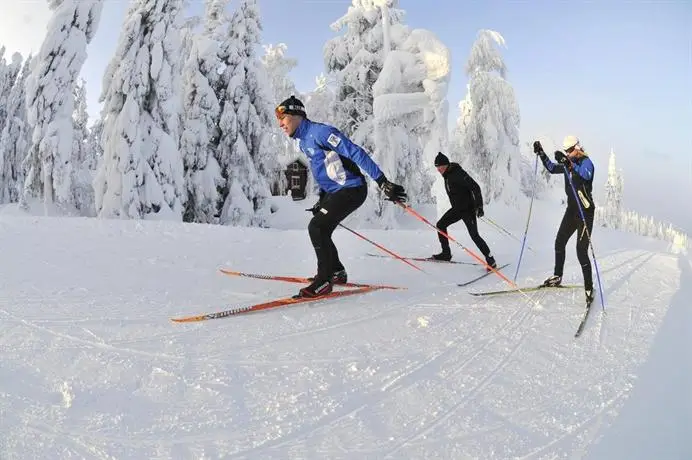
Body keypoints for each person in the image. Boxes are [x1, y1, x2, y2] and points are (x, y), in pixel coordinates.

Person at [275, 95, 407, 298]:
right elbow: (325, 171)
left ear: (296, 115)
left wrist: (381, 181)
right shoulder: (303, 142)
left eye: (283, 118)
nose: (281, 124)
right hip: (336, 191)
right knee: (322, 228)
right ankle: (336, 272)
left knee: (317, 227)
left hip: (352, 189)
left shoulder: (322, 132)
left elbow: (355, 152)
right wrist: (322, 198)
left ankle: (324, 281)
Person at [533, 136, 596, 303]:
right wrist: (541, 153)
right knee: (559, 242)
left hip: (585, 212)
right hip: (572, 211)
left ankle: (589, 288)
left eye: (570, 150)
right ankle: (557, 276)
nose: (568, 154)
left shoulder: (585, 162)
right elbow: (552, 168)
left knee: (581, 252)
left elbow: (586, 175)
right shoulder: (568, 164)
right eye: (566, 151)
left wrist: (570, 164)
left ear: (577, 147)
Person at [431, 152, 497, 270]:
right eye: (437, 167)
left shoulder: (458, 174)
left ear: (445, 165)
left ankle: (490, 260)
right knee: (440, 225)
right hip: (457, 209)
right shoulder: (447, 175)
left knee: (474, 235)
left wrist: (479, 206)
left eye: (439, 167)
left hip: (468, 210)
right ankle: (446, 254)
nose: (438, 170)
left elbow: (475, 187)